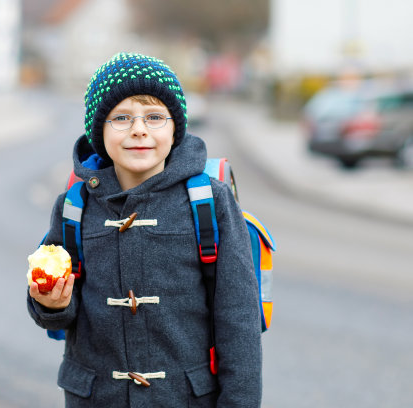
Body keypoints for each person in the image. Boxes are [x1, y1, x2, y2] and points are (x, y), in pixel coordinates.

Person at [27, 52, 262, 407]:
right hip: (96, 398)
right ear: (98, 130)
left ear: (174, 128)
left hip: (185, 399)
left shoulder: (209, 202)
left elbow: (239, 321)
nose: (139, 129)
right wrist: (49, 304)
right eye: (121, 118)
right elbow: (58, 311)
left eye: (154, 117)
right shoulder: (74, 207)